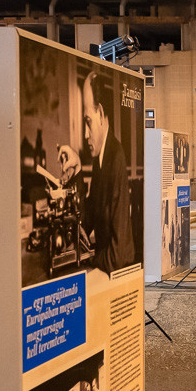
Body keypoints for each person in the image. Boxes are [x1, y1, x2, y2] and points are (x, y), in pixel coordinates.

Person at [58, 71, 135, 274]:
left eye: (88, 121)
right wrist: (77, 170)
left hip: (117, 272)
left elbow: (118, 255)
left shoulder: (115, 158)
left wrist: (91, 258)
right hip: (106, 266)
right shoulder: (101, 158)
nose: (85, 134)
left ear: (100, 114)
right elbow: (86, 222)